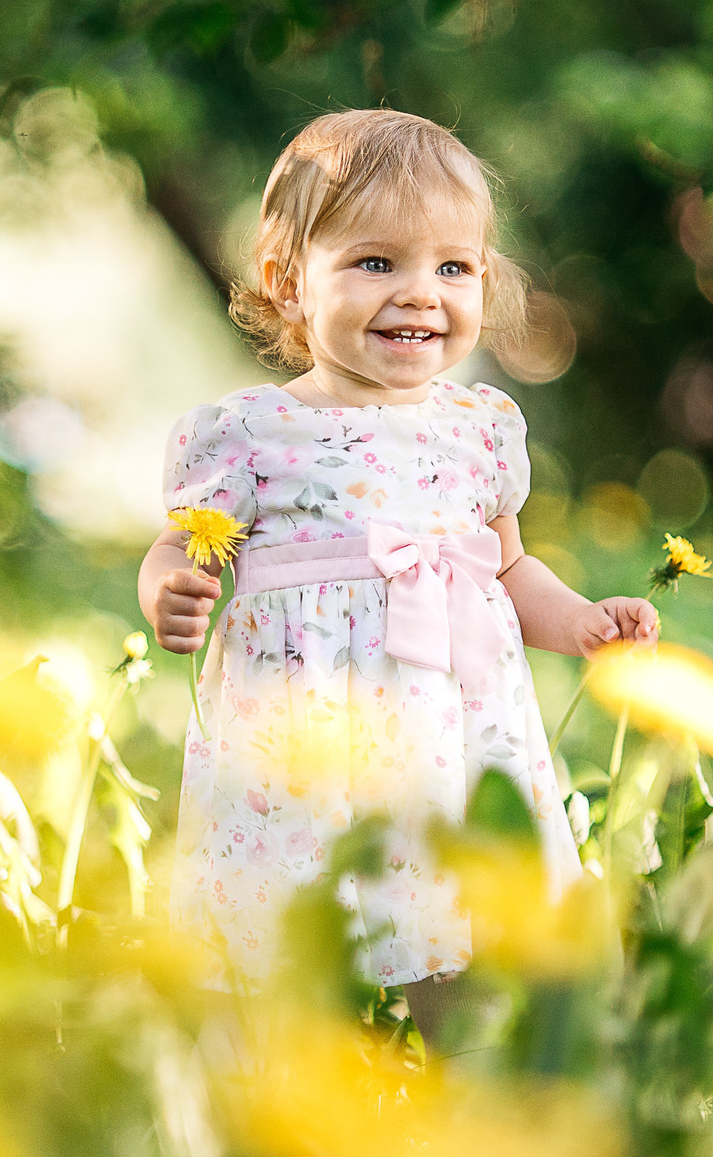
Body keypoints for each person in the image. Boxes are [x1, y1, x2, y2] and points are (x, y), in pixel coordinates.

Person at [138, 108, 659, 1050]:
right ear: (287, 281)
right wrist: (170, 586)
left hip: (450, 727)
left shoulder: (479, 428)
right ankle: (279, 1096)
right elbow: (185, 545)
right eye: (377, 263)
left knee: (459, 919)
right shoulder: (251, 434)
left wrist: (581, 621)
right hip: (308, 733)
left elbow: (507, 566)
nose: (420, 294)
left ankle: (471, 1087)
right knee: (293, 924)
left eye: (452, 267)